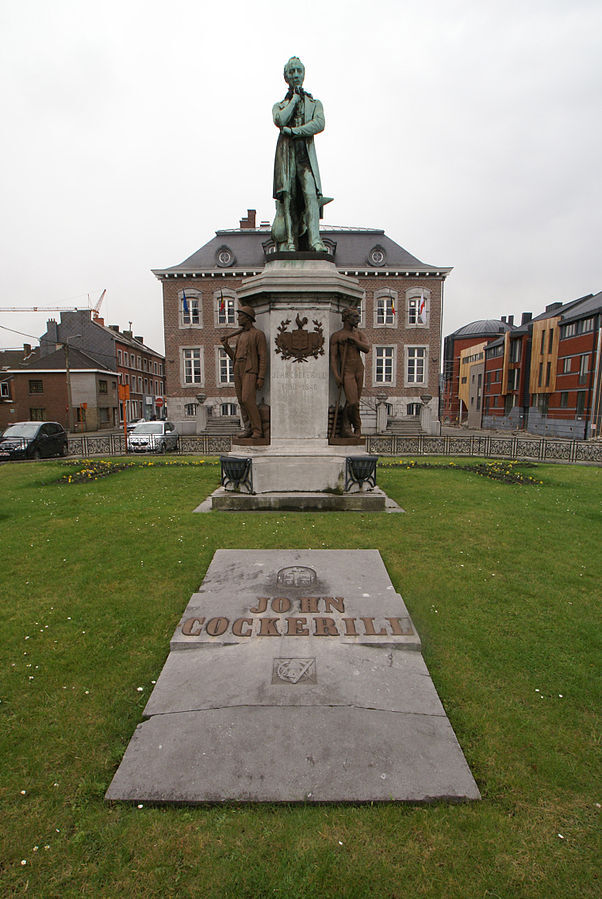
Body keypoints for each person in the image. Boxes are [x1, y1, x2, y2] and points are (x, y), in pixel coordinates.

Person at [272, 57, 332, 253]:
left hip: (304, 155)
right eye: (292, 72)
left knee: (310, 195)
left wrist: (295, 132)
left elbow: (319, 124)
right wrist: (295, 99)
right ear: (286, 77)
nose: (296, 75)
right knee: (288, 197)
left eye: (299, 71)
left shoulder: (315, 103)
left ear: (304, 74)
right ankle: (290, 242)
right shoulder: (280, 105)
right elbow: (280, 120)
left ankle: (315, 240)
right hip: (286, 156)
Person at [221, 306, 267, 439]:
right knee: (241, 401)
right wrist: (226, 346)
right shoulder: (240, 335)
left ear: (247, 318)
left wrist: (261, 377)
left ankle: (258, 430)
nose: (237, 318)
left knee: (248, 399)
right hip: (238, 368)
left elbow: (263, 357)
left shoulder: (258, 334)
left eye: (240, 316)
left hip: (250, 369)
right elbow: (234, 357)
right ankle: (248, 429)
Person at [330, 307, 369, 437]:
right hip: (347, 371)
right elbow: (334, 358)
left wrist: (355, 342)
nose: (358, 320)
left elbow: (366, 348)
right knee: (353, 402)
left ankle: (346, 428)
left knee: (353, 401)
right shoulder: (337, 336)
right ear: (347, 318)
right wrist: (336, 375)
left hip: (359, 369)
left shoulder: (359, 334)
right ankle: (357, 426)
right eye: (355, 317)